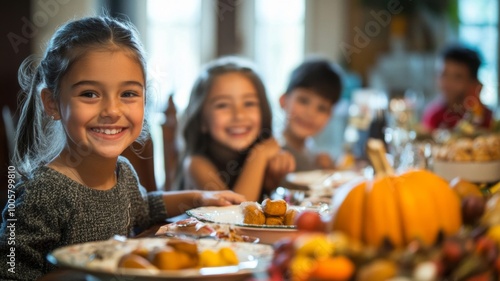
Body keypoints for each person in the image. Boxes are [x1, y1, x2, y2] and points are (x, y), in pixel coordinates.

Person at [0, 16, 244, 281]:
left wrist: (199, 198)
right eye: (90, 94)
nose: (112, 111)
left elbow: (144, 207)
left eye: (128, 94)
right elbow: (11, 273)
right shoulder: (40, 192)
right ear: (52, 103)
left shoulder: (123, 172)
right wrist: (92, 270)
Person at [180, 57, 295, 201]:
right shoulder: (195, 165)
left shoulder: (266, 155)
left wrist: (274, 180)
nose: (239, 115)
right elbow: (234, 214)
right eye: (223, 105)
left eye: (249, 103)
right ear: (202, 120)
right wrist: (258, 156)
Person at [279, 58, 343, 171]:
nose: (310, 113)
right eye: (303, 101)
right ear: (283, 100)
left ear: (330, 116)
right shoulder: (274, 151)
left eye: (322, 108)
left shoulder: (310, 150)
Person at [422, 45, 493, 131]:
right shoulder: (434, 116)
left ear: (473, 82)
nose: (447, 83)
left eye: (457, 77)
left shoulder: (486, 118)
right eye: (443, 74)